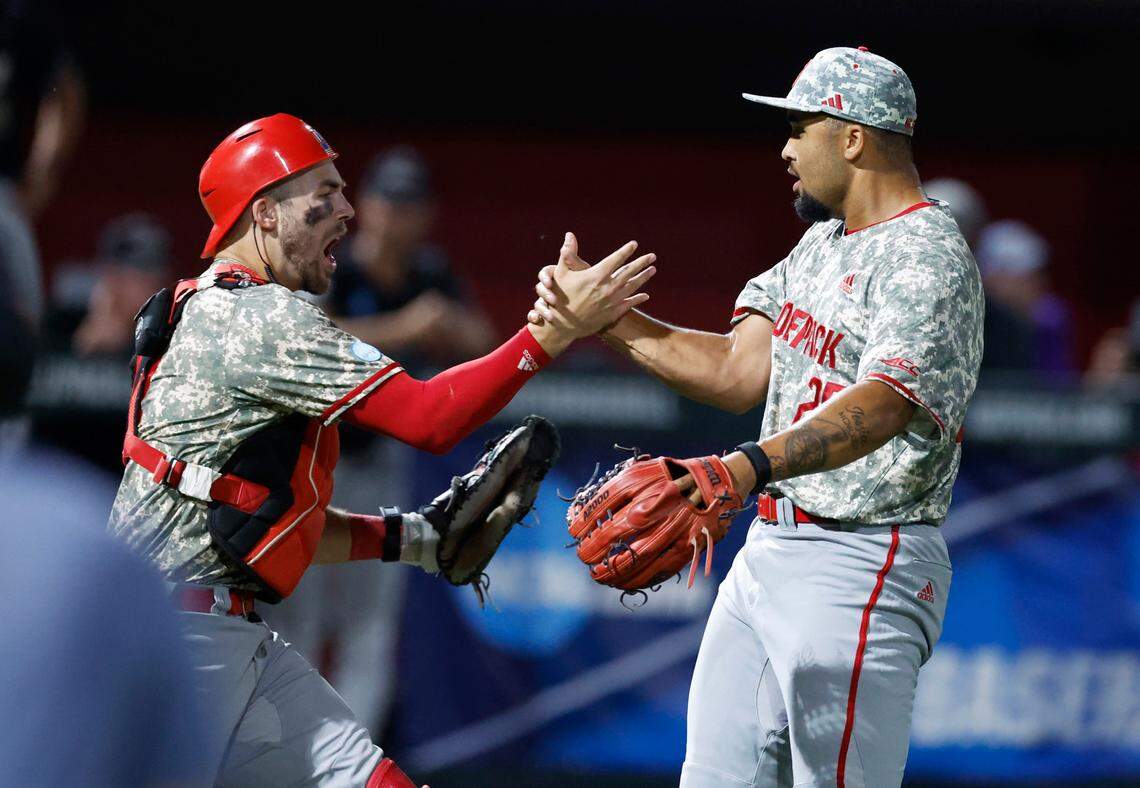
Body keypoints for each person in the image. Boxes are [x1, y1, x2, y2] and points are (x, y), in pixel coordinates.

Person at [107, 113, 655, 786]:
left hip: (212, 628)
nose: (346, 208)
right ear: (266, 214)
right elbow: (430, 417)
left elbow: (259, 518)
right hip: (179, 644)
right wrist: (552, 331)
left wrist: (418, 541)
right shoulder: (259, 318)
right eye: (324, 195)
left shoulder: (209, 307)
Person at [531, 47, 983, 787]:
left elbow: (885, 403)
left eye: (799, 125)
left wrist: (748, 464)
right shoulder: (820, 243)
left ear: (853, 135)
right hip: (770, 548)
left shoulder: (926, 255)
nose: (785, 147)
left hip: (863, 560)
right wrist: (607, 321)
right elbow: (737, 371)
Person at [271, 147, 494, 738]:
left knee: (370, 624)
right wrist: (408, 328)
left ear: (426, 215)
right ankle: (286, 747)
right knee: (297, 614)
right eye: (387, 203)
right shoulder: (333, 265)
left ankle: (350, 755)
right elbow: (306, 341)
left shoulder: (430, 274)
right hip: (313, 464)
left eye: (409, 205)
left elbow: (481, 338)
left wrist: (442, 321)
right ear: (365, 208)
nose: (396, 217)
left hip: (381, 464)